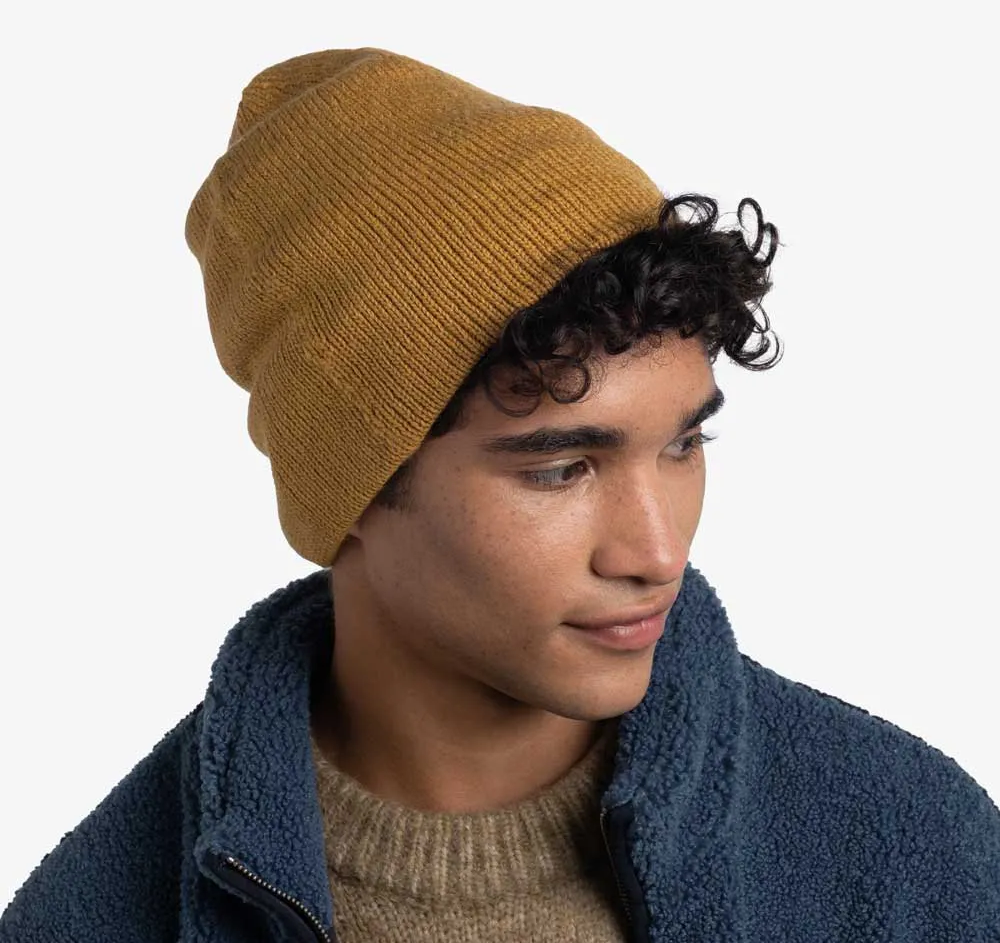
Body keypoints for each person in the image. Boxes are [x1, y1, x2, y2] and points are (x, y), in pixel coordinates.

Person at [2, 46, 997, 943]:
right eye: (561, 469)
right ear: (350, 484)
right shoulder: (95, 912)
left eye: (683, 443)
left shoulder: (915, 854)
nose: (656, 552)